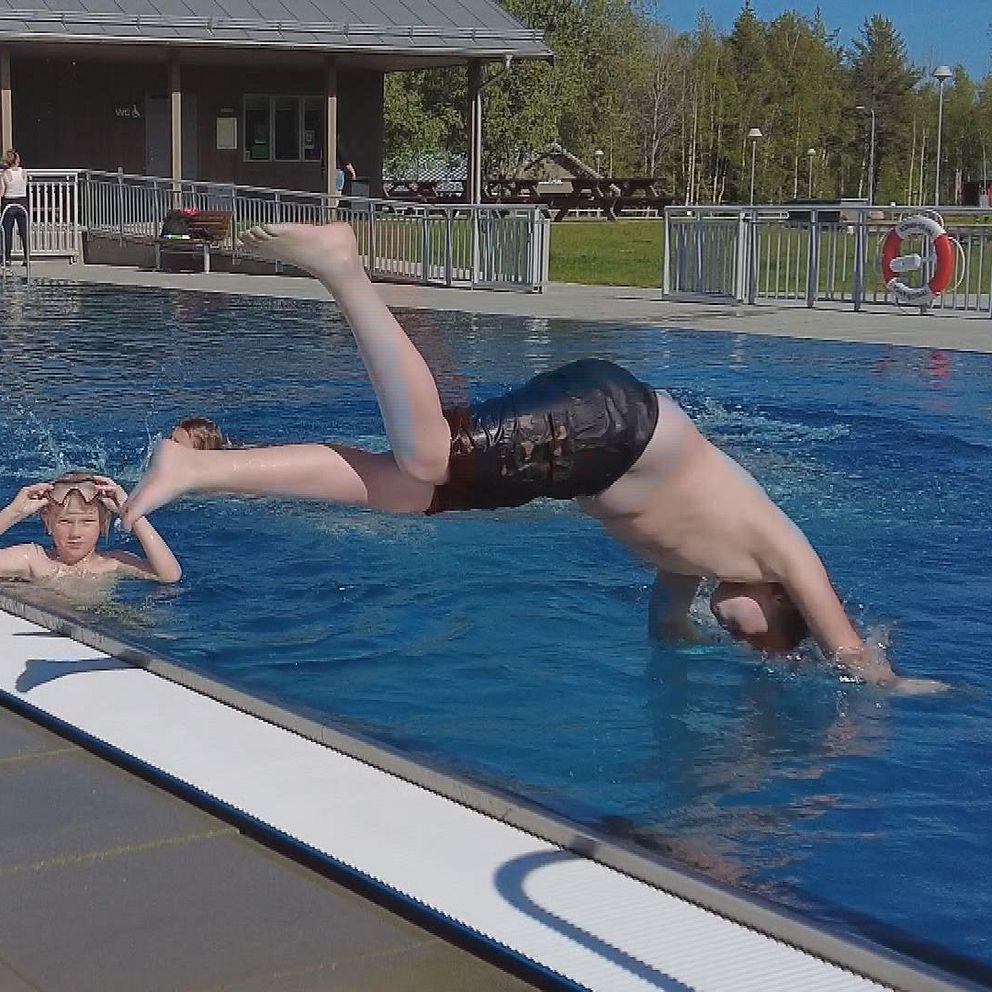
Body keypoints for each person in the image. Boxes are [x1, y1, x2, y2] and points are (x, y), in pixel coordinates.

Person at [121, 221, 941, 692]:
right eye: (766, 642)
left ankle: (201, 470)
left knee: (409, 491)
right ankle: (343, 268)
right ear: (787, 608)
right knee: (431, 457)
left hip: (602, 445)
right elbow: (851, 653)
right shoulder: (782, 552)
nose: (753, 646)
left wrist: (693, 661)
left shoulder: (696, 566)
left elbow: (667, 632)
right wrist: (897, 685)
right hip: (615, 427)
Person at [0, 472, 181, 583]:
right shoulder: (34, 560)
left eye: (87, 522)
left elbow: (169, 575)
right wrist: (13, 512)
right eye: (65, 522)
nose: (75, 533)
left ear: (103, 523)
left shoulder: (113, 564)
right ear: (48, 523)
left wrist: (131, 513)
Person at [0, 149, 29, 267]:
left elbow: (2, 191)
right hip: (22, 202)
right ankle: (27, 257)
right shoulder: (24, 172)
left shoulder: (5, 174)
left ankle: (7, 258)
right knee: (24, 231)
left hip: (9, 201)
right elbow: (25, 185)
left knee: (7, 232)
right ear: (17, 160)